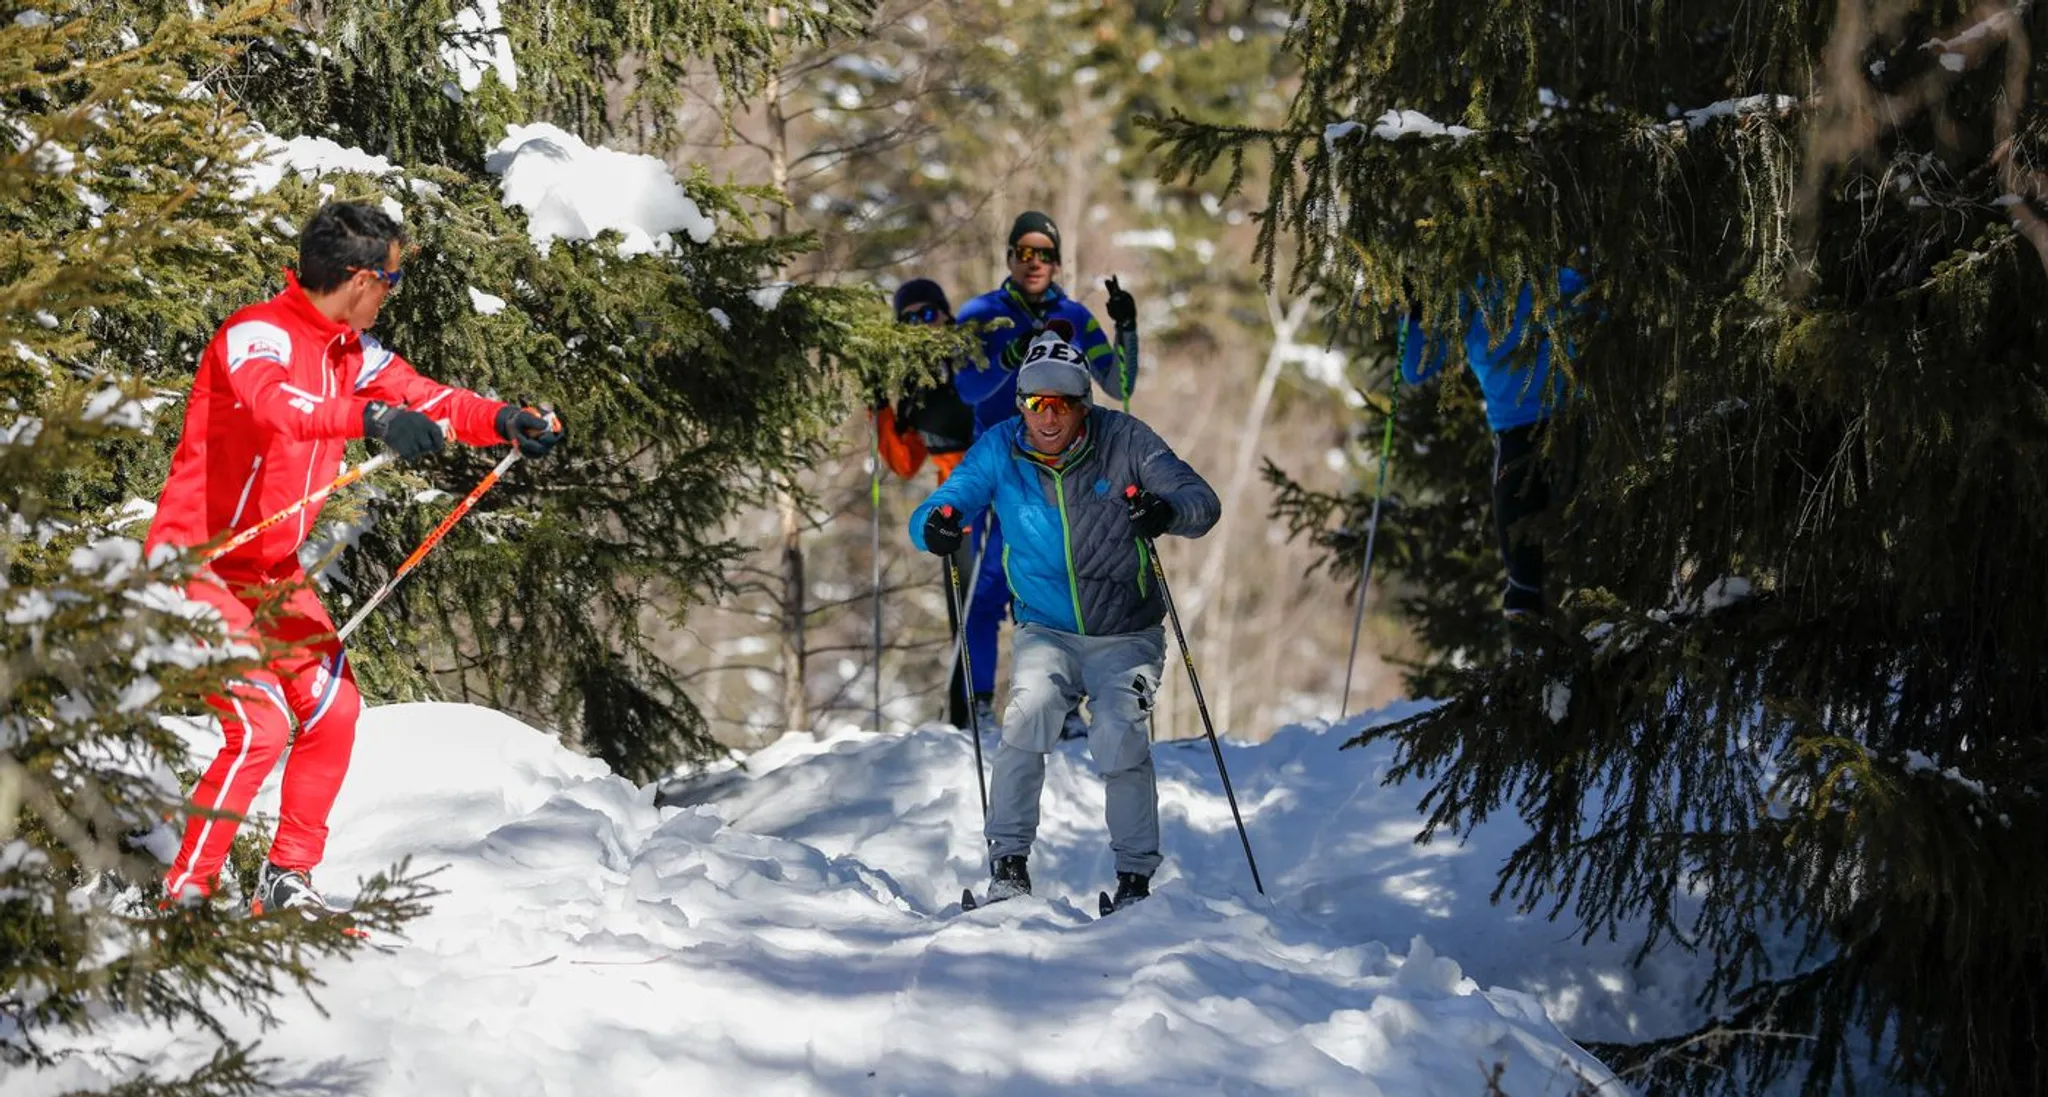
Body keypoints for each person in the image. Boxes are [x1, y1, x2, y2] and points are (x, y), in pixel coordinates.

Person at [146, 201, 565, 917]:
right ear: (357, 278)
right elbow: (277, 405)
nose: (392, 296)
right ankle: (183, 899)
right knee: (259, 727)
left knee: (335, 710)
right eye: (391, 282)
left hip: (268, 572)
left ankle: (285, 880)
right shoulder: (257, 334)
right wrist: (367, 418)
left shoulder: (351, 350)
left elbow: (426, 397)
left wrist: (501, 420)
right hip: (199, 563)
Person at [909, 332, 1218, 912]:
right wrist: (937, 523)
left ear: (1084, 405)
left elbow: (1201, 501)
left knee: (1119, 736)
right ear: (1020, 403)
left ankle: (1134, 882)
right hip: (1044, 628)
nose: (1047, 417)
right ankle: (1008, 867)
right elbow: (948, 500)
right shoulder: (1000, 447)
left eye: (1063, 404)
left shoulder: (1126, 439)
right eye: (1035, 404)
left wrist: (1167, 511)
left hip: (1126, 628)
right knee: (1026, 721)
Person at [950, 211, 1140, 733]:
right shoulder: (981, 313)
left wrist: (1126, 327)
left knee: (1056, 586)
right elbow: (965, 389)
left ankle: (1061, 706)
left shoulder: (1076, 317)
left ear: (1057, 262)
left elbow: (1118, 382)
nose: (1034, 263)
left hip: (1059, 470)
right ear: (1009, 257)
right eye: (1024, 252)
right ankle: (980, 707)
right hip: (998, 463)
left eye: (1045, 254)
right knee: (989, 587)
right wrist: (1005, 356)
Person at [1399, 267, 1586, 623]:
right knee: (1521, 568)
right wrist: (1417, 310)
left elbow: (1600, 311)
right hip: (1515, 431)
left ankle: (1593, 631)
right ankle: (1526, 647)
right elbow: (1416, 369)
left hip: (1571, 419)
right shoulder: (1465, 288)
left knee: (1582, 540)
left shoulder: (1547, 268)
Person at [875, 277, 979, 725]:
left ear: (945, 315)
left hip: (1007, 500)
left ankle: (1064, 712)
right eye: (910, 318)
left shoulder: (972, 359)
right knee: (965, 615)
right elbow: (904, 463)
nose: (922, 324)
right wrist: (879, 405)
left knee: (1029, 604)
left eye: (929, 314)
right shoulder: (915, 386)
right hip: (957, 514)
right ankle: (968, 716)